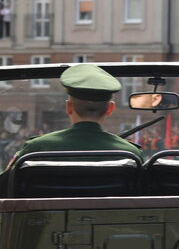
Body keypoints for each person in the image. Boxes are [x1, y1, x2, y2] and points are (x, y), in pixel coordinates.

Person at [4, 64, 144, 170]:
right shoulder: (130, 154)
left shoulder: (36, 149)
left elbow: (5, 189)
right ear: (110, 109)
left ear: (68, 107)